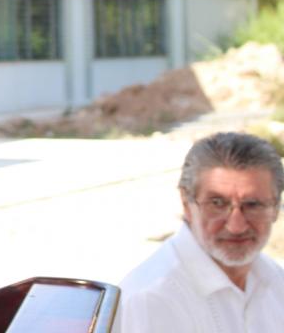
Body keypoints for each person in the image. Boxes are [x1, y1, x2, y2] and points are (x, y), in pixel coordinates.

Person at [116, 132, 284, 332]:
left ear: (275, 208)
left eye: (253, 204)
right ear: (186, 203)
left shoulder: (274, 280)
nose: (236, 226)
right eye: (217, 203)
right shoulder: (151, 299)